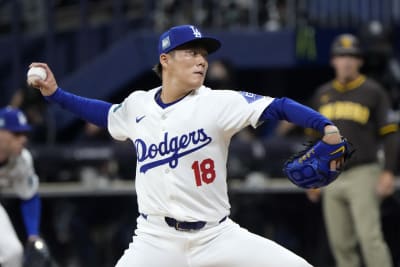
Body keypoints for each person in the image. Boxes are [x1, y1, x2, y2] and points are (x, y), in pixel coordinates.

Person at [29, 24, 344, 267]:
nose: (201, 61)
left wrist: (325, 126)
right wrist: (57, 94)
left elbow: (280, 105)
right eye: (191, 53)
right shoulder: (138, 105)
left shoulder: (218, 102)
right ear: (165, 60)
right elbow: (104, 113)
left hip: (216, 235)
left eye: (204, 54)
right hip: (155, 239)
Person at [306, 33, 399, 267]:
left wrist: (388, 171)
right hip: (331, 176)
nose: (346, 61)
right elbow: (314, 140)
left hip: (363, 172)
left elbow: (390, 135)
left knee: (370, 238)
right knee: (340, 243)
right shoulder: (322, 94)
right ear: (333, 61)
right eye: (341, 56)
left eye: (351, 56)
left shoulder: (373, 91)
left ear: (360, 61)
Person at [0, 107, 44, 267]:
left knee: (13, 254)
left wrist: (33, 235)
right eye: (16, 134)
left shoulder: (22, 160)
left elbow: (29, 195)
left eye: (24, 134)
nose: (23, 139)